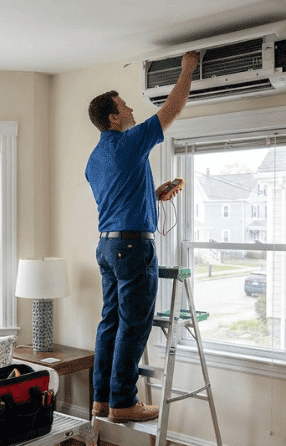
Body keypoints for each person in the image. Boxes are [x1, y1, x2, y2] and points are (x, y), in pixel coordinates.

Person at [84, 51, 200, 423]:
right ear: (114, 117)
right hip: (133, 247)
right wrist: (187, 69)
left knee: (111, 323)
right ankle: (123, 401)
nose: (132, 109)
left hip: (107, 245)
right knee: (134, 325)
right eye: (125, 106)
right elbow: (174, 108)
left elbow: (117, 199)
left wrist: (153, 194)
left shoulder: (95, 159)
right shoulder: (130, 142)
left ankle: (101, 400)